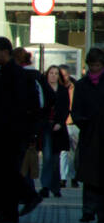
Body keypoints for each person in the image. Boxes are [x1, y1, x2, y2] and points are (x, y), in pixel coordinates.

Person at [0, 37, 41, 223]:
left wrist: (29, 132)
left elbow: (32, 107)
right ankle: (4, 211)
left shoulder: (20, 76)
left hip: (11, 135)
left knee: (8, 173)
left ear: (6, 52)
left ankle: (19, 203)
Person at [70, 47, 104, 223]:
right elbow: (75, 110)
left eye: (97, 65)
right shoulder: (82, 85)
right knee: (90, 176)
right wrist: (82, 121)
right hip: (89, 134)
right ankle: (88, 210)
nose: (94, 69)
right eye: (92, 65)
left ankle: (100, 211)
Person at [13, 48, 46, 206]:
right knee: (23, 161)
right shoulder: (37, 76)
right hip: (34, 126)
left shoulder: (22, 76)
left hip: (23, 127)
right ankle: (28, 194)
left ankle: (29, 195)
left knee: (19, 163)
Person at [40, 64, 70, 198]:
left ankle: (55, 187)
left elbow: (65, 108)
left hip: (58, 128)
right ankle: (45, 186)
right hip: (46, 126)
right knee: (46, 158)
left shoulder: (63, 91)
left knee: (55, 159)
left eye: (56, 73)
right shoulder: (43, 89)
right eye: (51, 73)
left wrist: (60, 122)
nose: (53, 75)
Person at [59, 66, 80, 187]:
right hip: (63, 123)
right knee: (64, 152)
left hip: (75, 123)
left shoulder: (76, 87)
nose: (63, 78)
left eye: (64, 75)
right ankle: (63, 178)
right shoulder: (59, 88)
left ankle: (74, 176)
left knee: (75, 152)